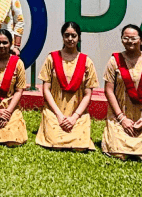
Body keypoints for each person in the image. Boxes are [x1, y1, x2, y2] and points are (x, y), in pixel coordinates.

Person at [101, 25, 142, 161]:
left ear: (141, 40)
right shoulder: (114, 61)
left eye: (133, 38)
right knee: (117, 154)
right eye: (126, 38)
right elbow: (108, 91)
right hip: (119, 119)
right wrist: (121, 118)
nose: (129, 41)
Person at [35, 20, 97, 152]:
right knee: (54, 143)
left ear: (79, 37)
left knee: (79, 146)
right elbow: (45, 89)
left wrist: (74, 117)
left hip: (77, 114)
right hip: (54, 112)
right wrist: (58, 115)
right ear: (62, 37)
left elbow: (88, 94)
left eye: (73, 36)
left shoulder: (87, 62)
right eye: (66, 35)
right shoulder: (52, 58)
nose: (70, 39)